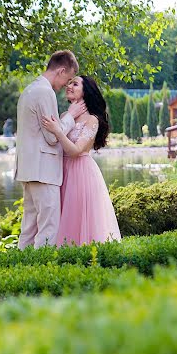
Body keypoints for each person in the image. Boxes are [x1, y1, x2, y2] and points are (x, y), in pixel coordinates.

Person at [15, 50, 86, 249]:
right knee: (49, 225)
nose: (67, 84)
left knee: (29, 227)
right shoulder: (45, 92)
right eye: (68, 78)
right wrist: (70, 116)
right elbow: (52, 136)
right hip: (44, 170)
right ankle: (41, 270)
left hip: (29, 169)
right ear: (61, 70)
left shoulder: (30, 89)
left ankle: (20, 267)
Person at [42, 75, 121, 246]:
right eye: (68, 83)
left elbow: (76, 151)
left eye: (75, 84)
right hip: (61, 171)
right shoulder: (65, 115)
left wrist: (58, 131)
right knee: (59, 216)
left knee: (77, 216)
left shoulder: (92, 120)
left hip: (80, 173)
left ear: (86, 92)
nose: (68, 86)